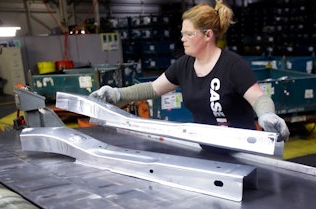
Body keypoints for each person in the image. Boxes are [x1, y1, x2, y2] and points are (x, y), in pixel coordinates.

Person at [90, 0, 290, 153]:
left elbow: (258, 98)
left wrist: (267, 115)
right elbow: (153, 88)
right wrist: (116, 94)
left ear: (208, 35)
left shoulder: (233, 65)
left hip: (242, 151)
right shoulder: (184, 65)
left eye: (189, 34)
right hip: (207, 149)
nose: (182, 39)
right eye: (182, 33)